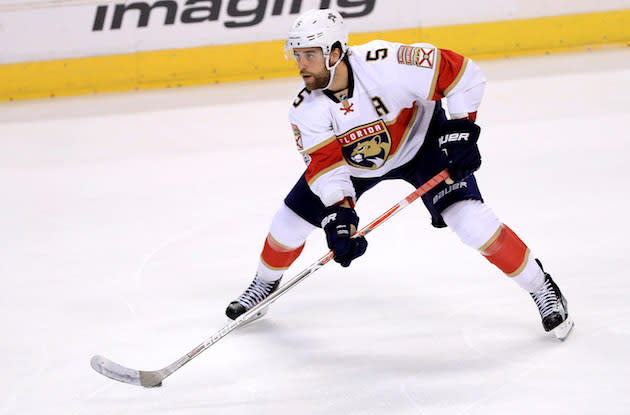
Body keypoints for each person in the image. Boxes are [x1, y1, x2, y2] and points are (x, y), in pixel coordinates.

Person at [225, 8, 574, 339]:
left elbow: (463, 74)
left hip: (423, 147)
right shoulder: (306, 109)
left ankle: (542, 287)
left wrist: (460, 129)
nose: (301, 65)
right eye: (297, 55)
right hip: (356, 164)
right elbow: (325, 166)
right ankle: (263, 284)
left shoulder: (388, 62)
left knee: (470, 221)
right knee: (287, 224)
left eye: (310, 55)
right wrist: (339, 214)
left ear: (335, 53)